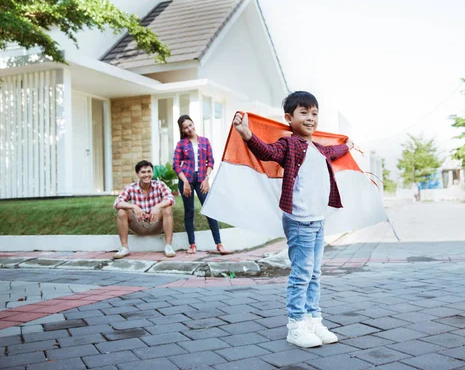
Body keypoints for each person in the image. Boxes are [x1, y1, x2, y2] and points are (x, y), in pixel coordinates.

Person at [233, 91, 353, 348]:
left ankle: (313, 319)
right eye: (304, 113)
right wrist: (246, 134)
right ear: (289, 118)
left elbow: (334, 150)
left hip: (318, 220)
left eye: (314, 113)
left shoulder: (319, 149)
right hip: (299, 220)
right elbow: (266, 152)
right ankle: (296, 325)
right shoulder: (288, 145)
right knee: (302, 274)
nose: (311, 118)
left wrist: (348, 146)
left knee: (315, 273)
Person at [173, 114, 225, 254]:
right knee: (189, 212)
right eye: (186, 127)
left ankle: (219, 244)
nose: (189, 129)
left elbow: (210, 161)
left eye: (190, 125)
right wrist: (185, 183)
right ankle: (192, 245)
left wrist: (207, 179)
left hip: (202, 179)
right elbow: (176, 165)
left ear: (193, 124)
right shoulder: (181, 144)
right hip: (187, 180)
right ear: (183, 130)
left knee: (209, 209)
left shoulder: (205, 141)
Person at [113, 160, 176, 259]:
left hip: (155, 223)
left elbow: (171, 199)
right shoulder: (130, 188)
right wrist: (134, 206)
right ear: (137, 174)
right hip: (138, 224)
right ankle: (124, 248)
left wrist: (157, 206)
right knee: (122, 212)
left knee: (167, 209)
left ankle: (168, 246)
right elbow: (117, 203)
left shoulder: (159, 185)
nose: (147, 175)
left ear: (152, 172)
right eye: (143, 172)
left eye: (149, 171)